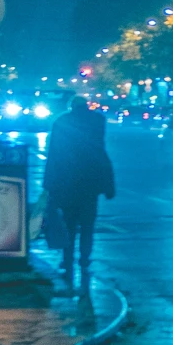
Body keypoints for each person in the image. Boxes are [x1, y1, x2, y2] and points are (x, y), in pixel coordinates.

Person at [44, 96, 115, 296]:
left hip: (67, 183)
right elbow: (100, 152)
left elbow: (54, 155)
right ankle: (85, 258)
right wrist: (108, 185)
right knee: (88, 225)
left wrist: (49, 184)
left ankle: (68, 259)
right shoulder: (97, 121)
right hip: (89, 184)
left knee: (69, 224)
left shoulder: (61, 122)